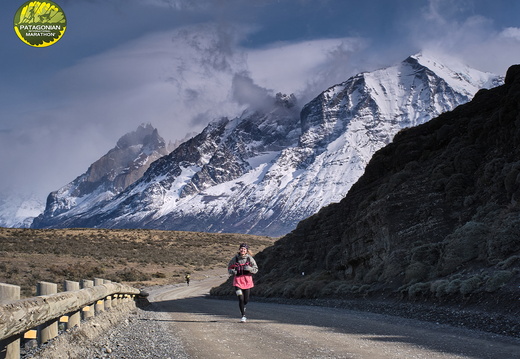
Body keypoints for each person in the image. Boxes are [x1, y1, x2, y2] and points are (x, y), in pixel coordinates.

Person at [227, 243, 258, 322]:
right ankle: (243, 316)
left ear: (246, 250)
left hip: (247, 281)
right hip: (237, 282)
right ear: (239, 249)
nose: (242, 250)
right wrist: (233, 271)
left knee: (246, 300)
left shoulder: (250, 259)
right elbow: (229, 268)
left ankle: (243, 306)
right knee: (240, 298)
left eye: (244, 249)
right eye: (241, 248)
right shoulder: (235, 259)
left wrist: (249, 269)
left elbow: (256, 269)